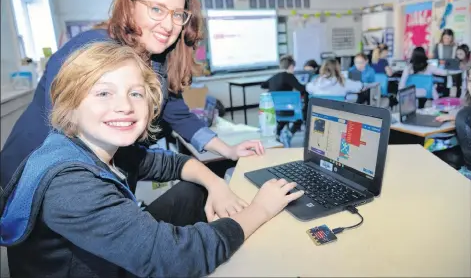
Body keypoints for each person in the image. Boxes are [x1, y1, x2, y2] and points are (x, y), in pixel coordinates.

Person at [0, 42, 305, 278]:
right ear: (70, 105)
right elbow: (175, 259)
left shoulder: (89, 146)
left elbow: (172, 163)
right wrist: (259, 210)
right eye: (104, 93)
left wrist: (216, 185)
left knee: (192, 189)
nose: (124, 106)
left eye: (135, 93)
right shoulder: (71, 187)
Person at [0, 0, 264, 189]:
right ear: (130, 4)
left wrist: (228, 150)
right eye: (157, 9)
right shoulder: (92, 50)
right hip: (38, 175)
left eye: (177, 14)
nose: (169, 25)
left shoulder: (157, 61)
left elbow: (179, 115)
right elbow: (67, 129)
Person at [261, 55, 305, 148]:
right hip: (288, 110)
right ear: (291, 66)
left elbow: (263, 85)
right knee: (301, 116)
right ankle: (289, 133)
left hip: (275, 111)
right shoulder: (289, 76)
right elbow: (301, 88)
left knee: (283, 115)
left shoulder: (275, 77)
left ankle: (278, 133)